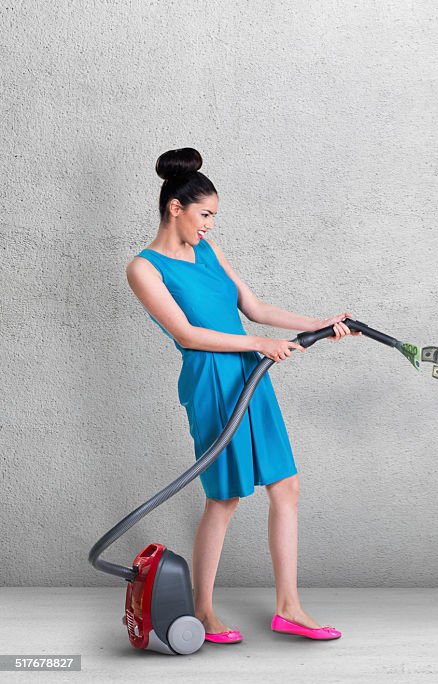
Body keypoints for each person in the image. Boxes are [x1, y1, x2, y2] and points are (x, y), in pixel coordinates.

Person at [126, 147, 359, 643]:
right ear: (175, 208)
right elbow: (187, 334)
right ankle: (204, 613)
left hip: (252, 371)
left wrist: (323, 323)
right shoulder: (144, 268)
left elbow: (253, 306)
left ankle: (289, 608)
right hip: (211, 379)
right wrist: (260, 345)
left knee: (287, 485)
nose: (209, 225)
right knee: (225, 497)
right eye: (205, 214)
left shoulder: (210, 251)